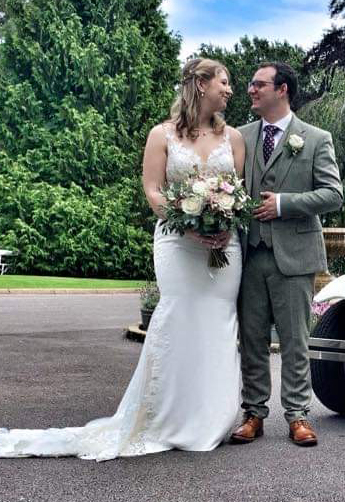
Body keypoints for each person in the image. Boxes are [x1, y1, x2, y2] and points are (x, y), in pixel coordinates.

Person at [0, 58, 246, 461]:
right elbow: (153, 191)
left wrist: (222, 224)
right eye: (224, 81)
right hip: (177, 243)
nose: (230, 90)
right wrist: (188, 226)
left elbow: (238, 194)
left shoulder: (234, 138)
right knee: (179, 316)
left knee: (219, 322)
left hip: (223, 246)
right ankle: (165, 416)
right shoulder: (161, 135)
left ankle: (212, 418)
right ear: (200, 85)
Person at [230, 61, 342, 447]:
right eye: (250, 84)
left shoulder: (315, 138)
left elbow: (333, 195)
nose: (250, 90)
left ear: (282, 90)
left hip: (294, 255)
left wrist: (283, 204)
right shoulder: (239, 137)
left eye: (258, 84)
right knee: (251, 338)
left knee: (296, 339)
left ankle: (297, 416)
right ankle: (253, 413)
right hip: (248, 254)